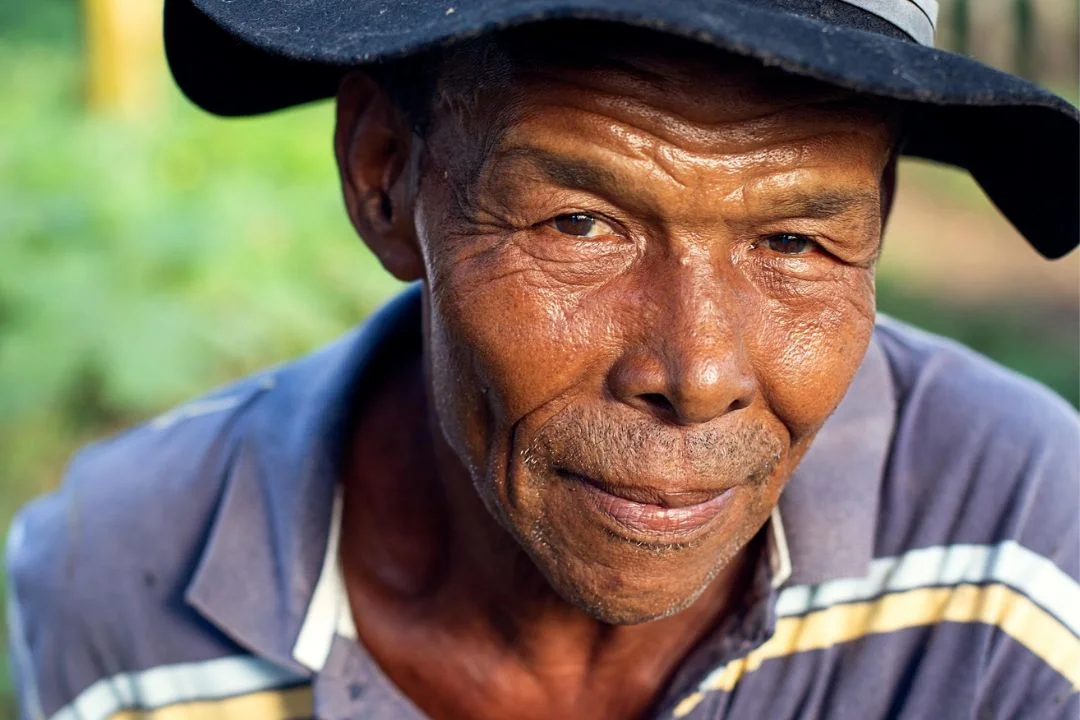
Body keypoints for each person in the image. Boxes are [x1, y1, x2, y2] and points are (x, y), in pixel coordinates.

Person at [6, 1, 1079, 719]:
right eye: (579, 225)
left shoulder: (1025, 553)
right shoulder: (116, 582)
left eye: (796, 243)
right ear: (387, 179)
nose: (698, 372)